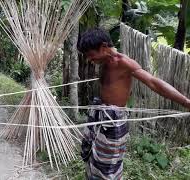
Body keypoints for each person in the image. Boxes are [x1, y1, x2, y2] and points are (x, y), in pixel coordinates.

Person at [77, 28, 190, 179]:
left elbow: (153, 82)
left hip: (113, 122)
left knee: (108, 166)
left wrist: (186, 102)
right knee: (92, 155)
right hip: (99, 115)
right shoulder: (104, 61)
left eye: (91, 55)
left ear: (103, 47)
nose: (90, 60)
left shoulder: (124, 63)